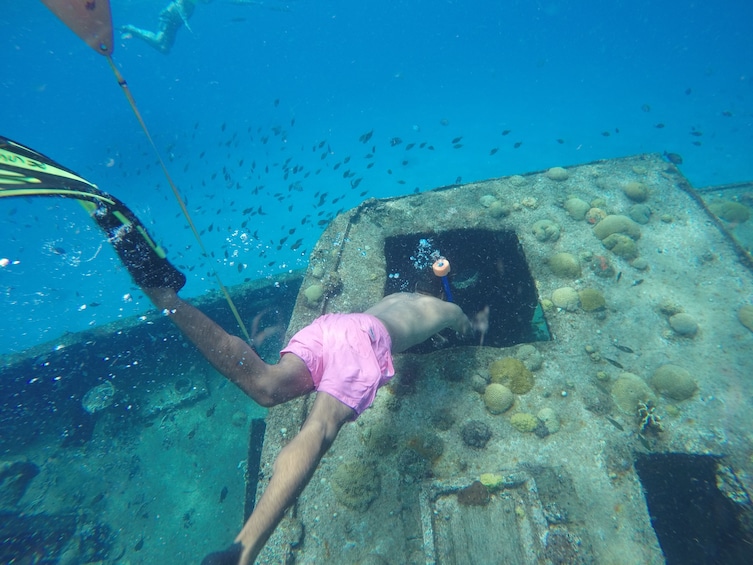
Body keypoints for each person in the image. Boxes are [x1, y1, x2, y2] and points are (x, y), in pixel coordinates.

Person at [83, 191, 482, 565]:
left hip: (333, 327)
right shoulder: (442, 309)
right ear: (438, 289)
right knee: (320, 428)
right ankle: (243, 549)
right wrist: (471, 323)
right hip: (365, 339)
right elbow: (465, 327)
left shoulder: (399, 297)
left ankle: (164, 296)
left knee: (266, 385)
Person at [120, 0, 209, 54]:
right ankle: (131, 29)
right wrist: (184, 19)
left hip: (177, 22)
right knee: (158, 40)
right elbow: (179, 3)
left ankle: (135, 33)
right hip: (170, 15)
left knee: (165, 49)